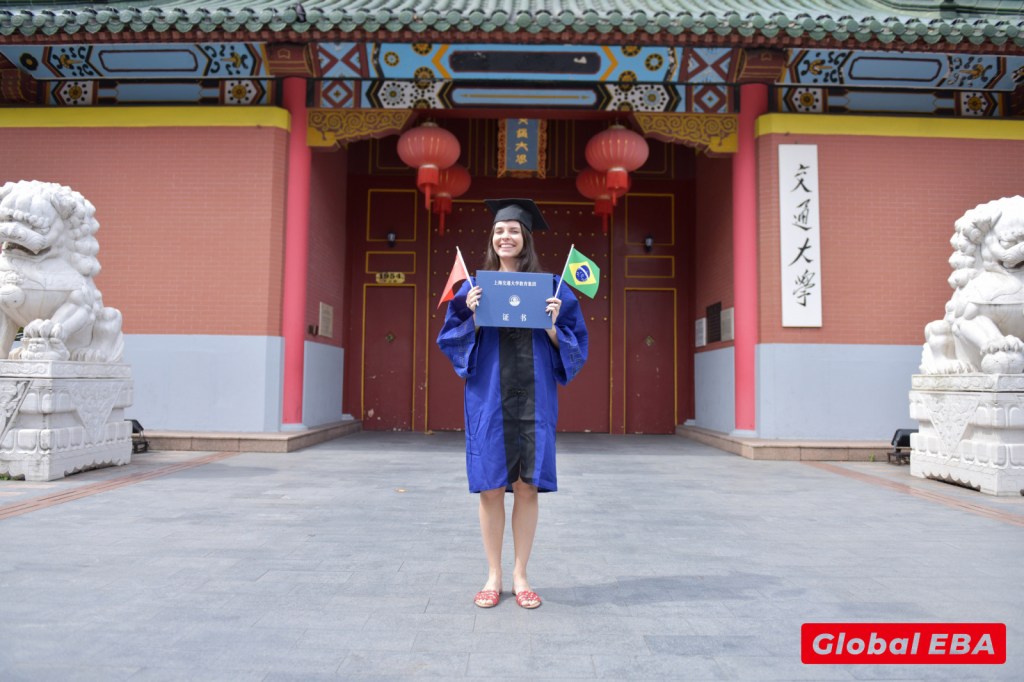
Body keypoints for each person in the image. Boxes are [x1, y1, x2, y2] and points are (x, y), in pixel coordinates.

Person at [437, 198, 589, 610]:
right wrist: (472, 316)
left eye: (514, 231)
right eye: (499, 230)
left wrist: (554, 326)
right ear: (492, 238)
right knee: (490, 487)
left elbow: (576, 345)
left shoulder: (552, 288)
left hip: (535, 399)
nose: (506, 237)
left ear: (526, 238)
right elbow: (450, 340)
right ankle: (493, 574)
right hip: (489, 398)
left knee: (526, 486)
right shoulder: (474, 288)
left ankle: (521, 575)